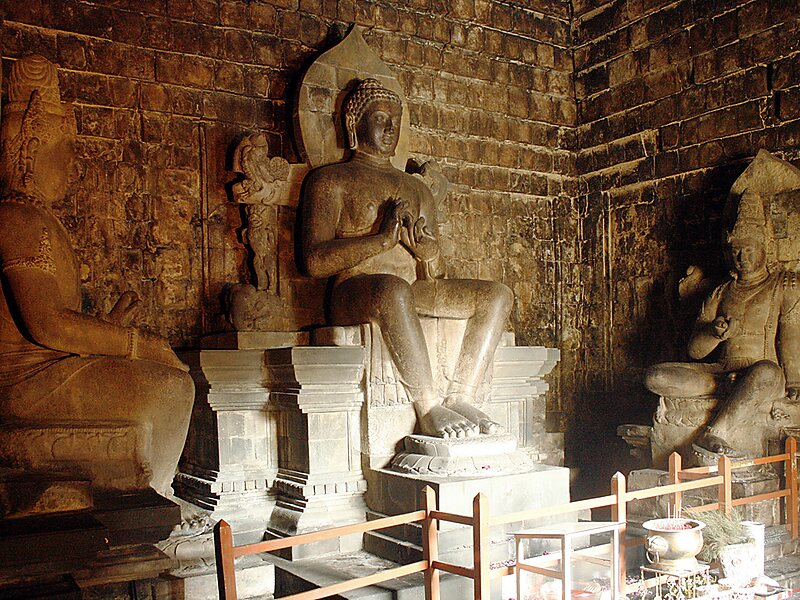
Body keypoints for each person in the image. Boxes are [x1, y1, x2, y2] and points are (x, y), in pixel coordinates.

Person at [0, 55, 194, 495]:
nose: (74, 169)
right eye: (66, 155)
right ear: (33, 150)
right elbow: (46, 324)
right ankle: (155, 499)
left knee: (166, 378)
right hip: (24, 385)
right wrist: (137, 343)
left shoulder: (35, 218)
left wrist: (107, 327)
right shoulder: (16, 218)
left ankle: (151, 495)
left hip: (47, 371)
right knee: (171, 388)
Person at [301, 79, 513, 439]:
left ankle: (461, 396)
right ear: (353, 124)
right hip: (354, 290)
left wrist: (427, 253)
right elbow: (313, 262)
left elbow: (435, 273)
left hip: (412, 288)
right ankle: (428, 406)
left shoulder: (416, 189)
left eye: (395, 121)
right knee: (393, 289)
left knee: (497, 295)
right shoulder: (331, 180)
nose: (389, 129)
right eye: (380, 118)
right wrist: (381, 240)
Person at [645, 190, 800, 456]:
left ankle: (716, 433)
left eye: (749, 249)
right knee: (655, 376)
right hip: (721, 373)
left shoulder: (783, 285)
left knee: (765, 372)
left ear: (765, 248)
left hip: (764, 372)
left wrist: (795, 383)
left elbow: (791, 337)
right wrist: (715, 334)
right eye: (736, 250)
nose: (742, 257)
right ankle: (734, 390)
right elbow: (695, 351)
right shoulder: (721, 292)